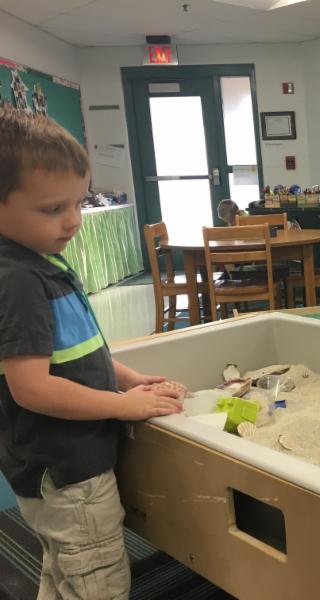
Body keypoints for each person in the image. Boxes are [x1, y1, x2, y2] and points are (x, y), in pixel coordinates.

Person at [0, 107, 184, 599]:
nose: (73, 221)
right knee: (98, 579)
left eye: (78, 203)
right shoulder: (19, 279)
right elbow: (32, 388)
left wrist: (127, 379)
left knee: (64, 573)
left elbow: (79, 354)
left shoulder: (41, 261)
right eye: (51, 209)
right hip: (68, 473)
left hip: (58, 470)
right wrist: (122, 406)